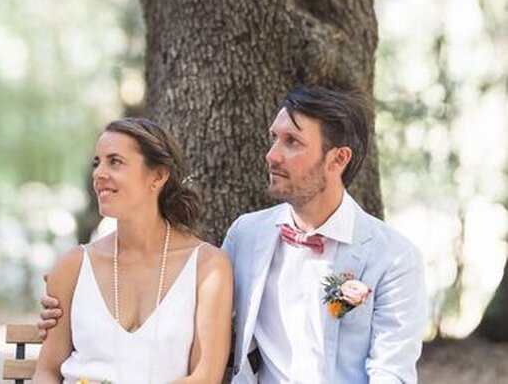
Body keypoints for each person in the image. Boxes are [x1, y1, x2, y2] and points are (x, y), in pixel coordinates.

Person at [39, 87, 427, 383]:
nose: (272, 155)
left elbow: (391, 374)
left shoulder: (392, 258)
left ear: (337, 159)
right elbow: (184, 299)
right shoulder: (248, 235)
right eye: (274, 138)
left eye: (291, 142)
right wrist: (71, 302)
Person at [32, 117, 232, 384]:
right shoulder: (73, 266)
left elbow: (205, 377)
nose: (98, 174)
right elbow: (47, 371)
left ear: (158, 176)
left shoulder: (208, 267)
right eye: (97, 163)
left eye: (114, 161)